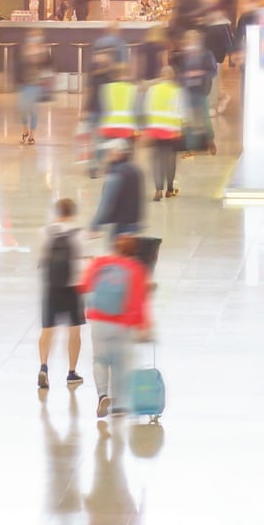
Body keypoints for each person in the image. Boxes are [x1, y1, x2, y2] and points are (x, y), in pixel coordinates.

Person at [77, 234, 152, 419]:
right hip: (122, 324)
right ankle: (118, 406)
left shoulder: (101, 262)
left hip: (99, 320)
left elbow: (84, 285)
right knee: (120, 364)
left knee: (100, 360)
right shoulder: (135, 269)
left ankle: (102, 395)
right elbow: (138, 302)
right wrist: (143, 326)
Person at [37, 198, 86, 393]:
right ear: (73, 213)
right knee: (74, 331)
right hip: (73, 287)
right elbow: (84, 261)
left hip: (51, 287)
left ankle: (43, 367)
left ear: (57, 213)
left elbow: (40, 259)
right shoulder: (80, 234)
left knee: (47, 329)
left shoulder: (44, 233)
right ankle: (72, 372)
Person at [141, 67, 185, 201]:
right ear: (172, 77)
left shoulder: (152, 90)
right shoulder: (178, 91)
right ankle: (170, 189)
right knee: (170, 160)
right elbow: (182, 112)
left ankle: (158, 189)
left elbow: (146, 110)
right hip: (172, 131)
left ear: (161, 76)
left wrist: (146, 129)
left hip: (156, 130)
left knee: (157, 160)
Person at [90, 141, 146, 240]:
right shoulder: (135, 170)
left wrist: (95, 225)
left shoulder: (116, 175)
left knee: (117, 254)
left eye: (110, 152)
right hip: (134, 224)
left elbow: (106, 202)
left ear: (118, 154)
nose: (107, 155)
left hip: (121, 228)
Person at [174, 30, 218, 155]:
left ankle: (210, 140)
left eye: (193, 40)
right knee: (189, 120)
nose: (190, 43)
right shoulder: (183, 56)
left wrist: (200, 73)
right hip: (187, 89)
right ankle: (190, 147)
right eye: (189, 41)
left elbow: (213, 71)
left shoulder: (206, 54)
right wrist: (183, 77)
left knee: (204, 117)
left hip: (201, 89)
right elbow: (179, 73)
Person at [15, 28, 52, 146]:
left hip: (37, 84)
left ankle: (31, 136)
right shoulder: (23, 50)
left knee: (33, 110)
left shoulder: (44, 52)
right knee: (22, 109)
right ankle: (25, 130)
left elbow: (48, 67)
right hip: (24, 83)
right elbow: (18, 66)